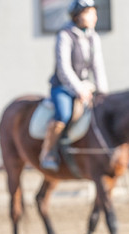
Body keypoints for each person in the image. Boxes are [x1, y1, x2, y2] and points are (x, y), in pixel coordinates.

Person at [40, 0, 108, 172]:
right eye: (89, 13)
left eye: (94, 12)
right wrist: (79, 89)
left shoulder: (93, 37)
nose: (94, 17)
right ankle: (48, 152)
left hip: (86, 87)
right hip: (63, 88)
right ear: (77, 15)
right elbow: (64, 68)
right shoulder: (65, 35)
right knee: (64, 114)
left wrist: (103, 93)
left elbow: (98, 66)